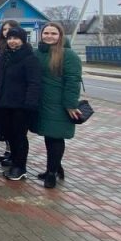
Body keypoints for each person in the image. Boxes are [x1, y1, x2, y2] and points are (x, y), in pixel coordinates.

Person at [32, 22, 83, 188]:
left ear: (60, 36)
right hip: (42, 102)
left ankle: (51, 174)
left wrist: (70, 104)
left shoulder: (68, 55)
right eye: (46, 33)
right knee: (48, 136)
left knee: (56, 137)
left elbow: (73, 81)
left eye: (53, 33)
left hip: (59, 104)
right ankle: (55, 167)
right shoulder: (38, 52)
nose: (49, 36)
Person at [0, 27, 41, 181]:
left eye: (16, 38)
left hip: (21, 106)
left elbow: (34, 83)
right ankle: (14, 161)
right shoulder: (5, 56)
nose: (12, 41)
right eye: (10, 38)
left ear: (23, 40)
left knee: (19, 137)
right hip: (5, 103)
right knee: (10, 135)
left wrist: (29, 104)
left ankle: (20, 167)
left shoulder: (29, 58)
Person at [0, 20, 20, 167]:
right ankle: (9, 150)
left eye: (10, 29)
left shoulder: (21, 50)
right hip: (1, 91)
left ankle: (15, 155)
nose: (7, 32)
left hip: (14, 94)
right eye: (4, 29)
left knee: (16, 128)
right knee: (5, 125)